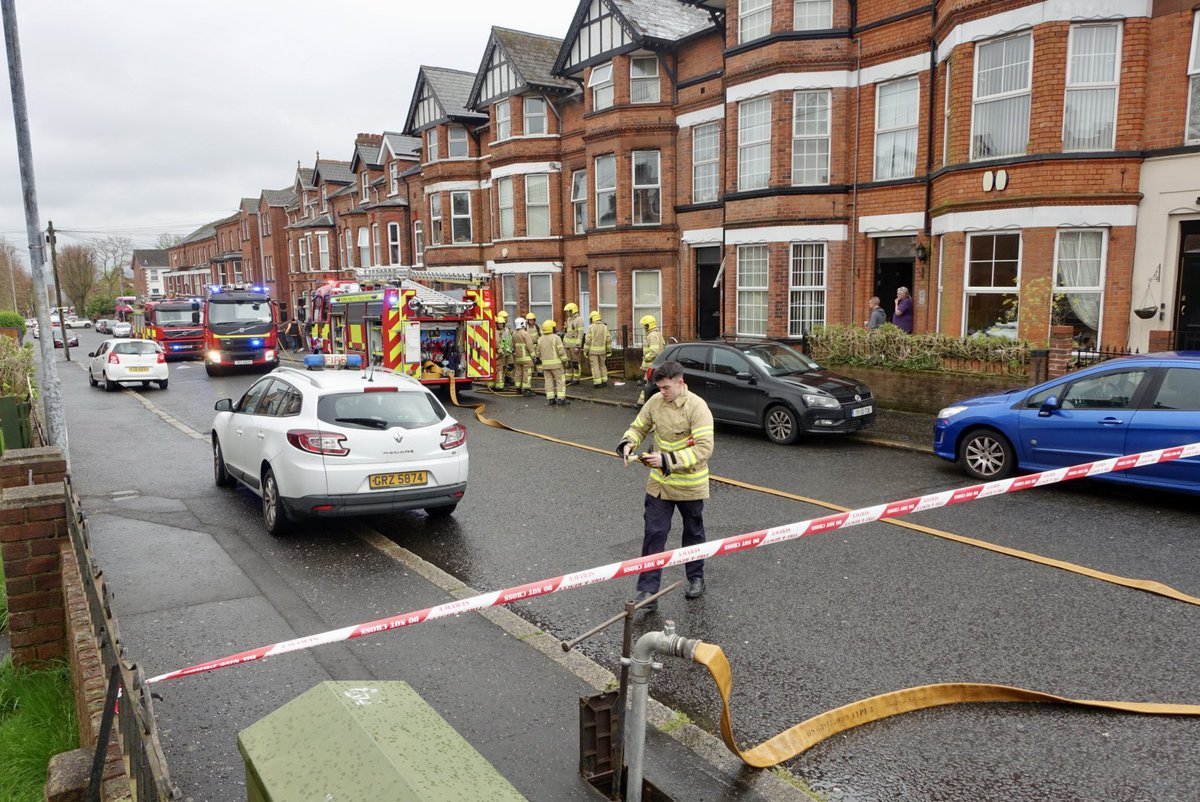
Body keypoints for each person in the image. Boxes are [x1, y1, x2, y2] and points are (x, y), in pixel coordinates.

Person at [616, 360, 714, 609]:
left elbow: (704, 449)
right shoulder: (655, 402)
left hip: (690, 484)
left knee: (693, 533)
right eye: (659, 388)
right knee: (654, 534)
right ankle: (648, 592)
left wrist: (666, 459)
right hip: (660, 484)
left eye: (666, 387)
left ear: (681, 383)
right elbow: (639, 427)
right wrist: (628, 443)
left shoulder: (697, 407)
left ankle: (695, 578)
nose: (662, 392)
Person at [536, 319, 569, 406]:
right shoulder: (556, 338)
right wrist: (565, 361)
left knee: (548, 381)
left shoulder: (540, 339)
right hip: (557, 365)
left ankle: (551, 399)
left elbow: (538, 353)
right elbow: (561, 351)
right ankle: (561, 399)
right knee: (560, 381)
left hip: (545, 366)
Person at [636, 314, 666, 405]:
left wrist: (646, 358)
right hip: (655, 365)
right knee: (649, 384)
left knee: (648, 385)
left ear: (648, 325)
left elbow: (654, 351)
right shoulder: (657, 334)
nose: (643, 327)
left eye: (644, 325)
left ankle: (641, 403)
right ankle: (641, 402)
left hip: (651, 365)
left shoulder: (652, 336)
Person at [584, 310, 611, 387]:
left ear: (592, 318)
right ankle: (604, 380)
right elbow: (608, 339)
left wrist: (585, 351)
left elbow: (588, 340)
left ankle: (598, 382)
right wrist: (609, 350)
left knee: (595, 366)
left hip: (593, 351)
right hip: (602, 351)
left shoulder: (591, 327)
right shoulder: (605, 327)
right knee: (602, 365)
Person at [511, 316, 536, 397]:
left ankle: (518, 388)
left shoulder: (514, 334)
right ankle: (526, 390)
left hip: (518, 358)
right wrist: (534, 356)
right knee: (527, 373)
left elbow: (512, 346)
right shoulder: (525, 333)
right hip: (526, 358)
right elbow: (530, 346)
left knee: (518, 373)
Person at [562, 302, 584, 384]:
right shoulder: (568, 319)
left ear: (572, 310)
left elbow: (580, 333)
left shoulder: (579, 320)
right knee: (568, 362)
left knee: (575, 363)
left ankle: (576, 378)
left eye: (569, 311)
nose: (567, 313)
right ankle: (568, 378)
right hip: (567, 344)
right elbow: (567, 332)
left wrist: (578, 346)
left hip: (574, 345)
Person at [493, 310, 513, 390]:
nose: (506, 319)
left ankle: (506, 380)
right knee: (499, 369)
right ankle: (499, 385)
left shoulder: (507, 330)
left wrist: (508, 349)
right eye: (504, 318)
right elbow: (496, 342)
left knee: (507, 366)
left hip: (505, 352)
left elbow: (508, 340)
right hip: (499, 353)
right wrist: (500, 351)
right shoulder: (495, 331)